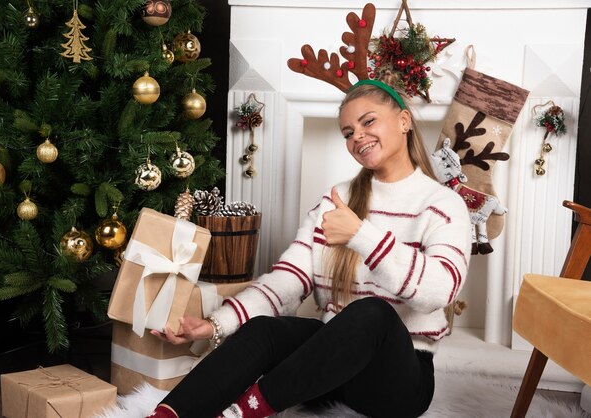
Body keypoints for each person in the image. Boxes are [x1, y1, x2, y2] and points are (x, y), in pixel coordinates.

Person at [147, 78, 472, 418]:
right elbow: (288, 280)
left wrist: (362, 235)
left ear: (404, 121)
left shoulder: (443, 204)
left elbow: (441, 291)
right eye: (348, 132)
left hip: (396, 382)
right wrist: (215, 324)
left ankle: (242, 413)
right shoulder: (338, 200)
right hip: (329, 368)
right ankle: (167, 414)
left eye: (368, 121)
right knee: (264, 331)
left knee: (372, 313)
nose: (357, 136)